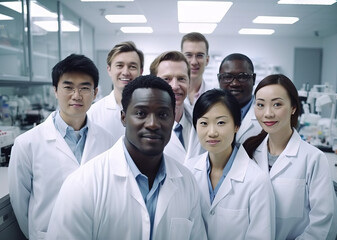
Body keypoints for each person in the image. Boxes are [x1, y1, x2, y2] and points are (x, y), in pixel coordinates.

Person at [47, 75, 207, 240]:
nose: (152, 123)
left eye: (163, 114)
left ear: (173, 119)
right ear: (123, 117)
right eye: (140, 113)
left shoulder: (186, 182)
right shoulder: (83, 184)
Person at [8, 54, 115, 240]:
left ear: (95, 93)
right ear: (55, 91)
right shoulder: (27, 144)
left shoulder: (108, 141)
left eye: (84, 88)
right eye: (68, 87)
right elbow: (20, 205)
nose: (76, 95)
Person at [243, 74, 337, 239]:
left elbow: (324, 223)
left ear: (293, 107)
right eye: (260, 105)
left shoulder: (313, 159)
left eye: (277, 104)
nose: (268, 113)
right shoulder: (249, 153)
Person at [185, 88, 275, 240]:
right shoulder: (188, 171)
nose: (212, 132)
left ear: (236, 126)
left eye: (221, 122)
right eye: (204, 123)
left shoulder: (256, 181)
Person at [150, 51, 205, 163]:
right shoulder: (145, 127)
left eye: (181, 79)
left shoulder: (201, 119)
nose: (175, 86)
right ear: (153, 83)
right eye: (166, 79)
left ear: (189, 83)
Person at [87, 41, 144, 140]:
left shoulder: (151, 109)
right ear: (109, 70)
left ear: (141, 71)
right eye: (119, 66)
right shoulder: (93, 113)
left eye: (132, 67)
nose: (125, 72)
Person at [218, 53, 262, 144]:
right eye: (227, 77)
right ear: (219, 80)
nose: (235, 84)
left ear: (253, 79)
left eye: (242, 77)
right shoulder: (209, 112)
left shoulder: (265, 115)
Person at [181, 32, 218, 109]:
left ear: (207, 60)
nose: (194, 62)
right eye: (189, 55)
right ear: (181, 59)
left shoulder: (215, 96)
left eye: (199, 55)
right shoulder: (171, 93)